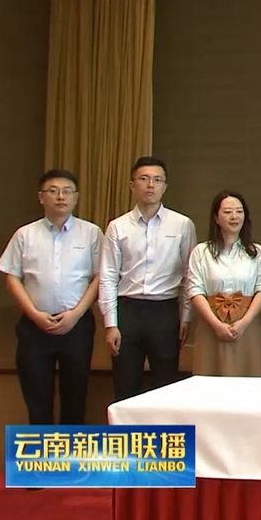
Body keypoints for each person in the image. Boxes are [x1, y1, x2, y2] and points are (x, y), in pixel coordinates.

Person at [0, 169, 102, 425]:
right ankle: (42, 450)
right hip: (34, 326)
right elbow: (11, 277)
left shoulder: (91, 233)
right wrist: (34, 314)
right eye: (53, 191)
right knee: (37, 399)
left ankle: (70, 451)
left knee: (75, 398)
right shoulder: (25, 234)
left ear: (76, 197)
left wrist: (76, 314)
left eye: (67, 191)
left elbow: (100, 277)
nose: (60, 197)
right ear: (41, 197)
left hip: (76, 325)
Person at [100, 156, 197, 400]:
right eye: (144, 179)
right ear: (132, 185)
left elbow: (190, 274)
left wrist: (186, 316)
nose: (151, 185)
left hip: (164, 310)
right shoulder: (117, 227)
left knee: (166, 385)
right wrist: (111, 324)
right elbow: (108, 275)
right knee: (125, 384)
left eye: (157, 180)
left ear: (165, 186)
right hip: (128, 309)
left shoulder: (182, 224)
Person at [187, 191, 261, 377]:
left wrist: (243, 322)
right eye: (227, 212)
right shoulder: (201, 252)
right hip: (211, 323)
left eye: (239, 211)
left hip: (246, 324)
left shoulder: (256, 252)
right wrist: (216, 325)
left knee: (248, 378)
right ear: (216, 218)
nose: (234, 217)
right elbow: (194, 290)